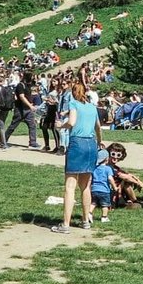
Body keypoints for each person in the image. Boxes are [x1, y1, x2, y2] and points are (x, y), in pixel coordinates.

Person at [53, 82, 100, 232]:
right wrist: (99, 141)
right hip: (91, 144)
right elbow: (97, 126)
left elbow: (72, 122)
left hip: (77, 144)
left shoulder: (73, 103)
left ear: (73, 92)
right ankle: (85, 220)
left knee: (70, 186)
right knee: (85, 185)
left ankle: (66, 224)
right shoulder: (92, 106)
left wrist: (61, 126)